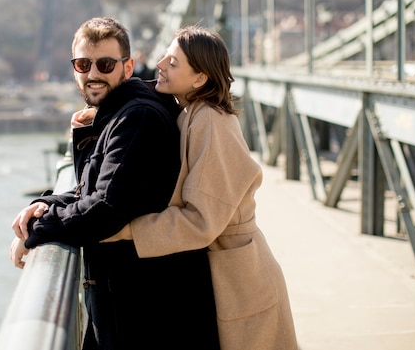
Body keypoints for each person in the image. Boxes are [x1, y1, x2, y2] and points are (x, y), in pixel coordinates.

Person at [69, 25, 299, 349]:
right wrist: (98, 121)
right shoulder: (187, 113)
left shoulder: (211, 121)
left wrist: (124, 230)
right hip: (220, 273)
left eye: (173, 62)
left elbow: (201, 221)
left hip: (239, 280)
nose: (160, 64)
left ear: (199, 78)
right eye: (165, 56)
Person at [10, 17, 220, 350]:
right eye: (83, 64)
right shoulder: (117, 115)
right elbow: (96, 189)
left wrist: (41, 229)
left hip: (146, 314)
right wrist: (50, 204)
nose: (93, 74)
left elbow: (106, 209)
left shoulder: (136, 119)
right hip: (131, 302)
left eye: (106, 64)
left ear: (127, 67)